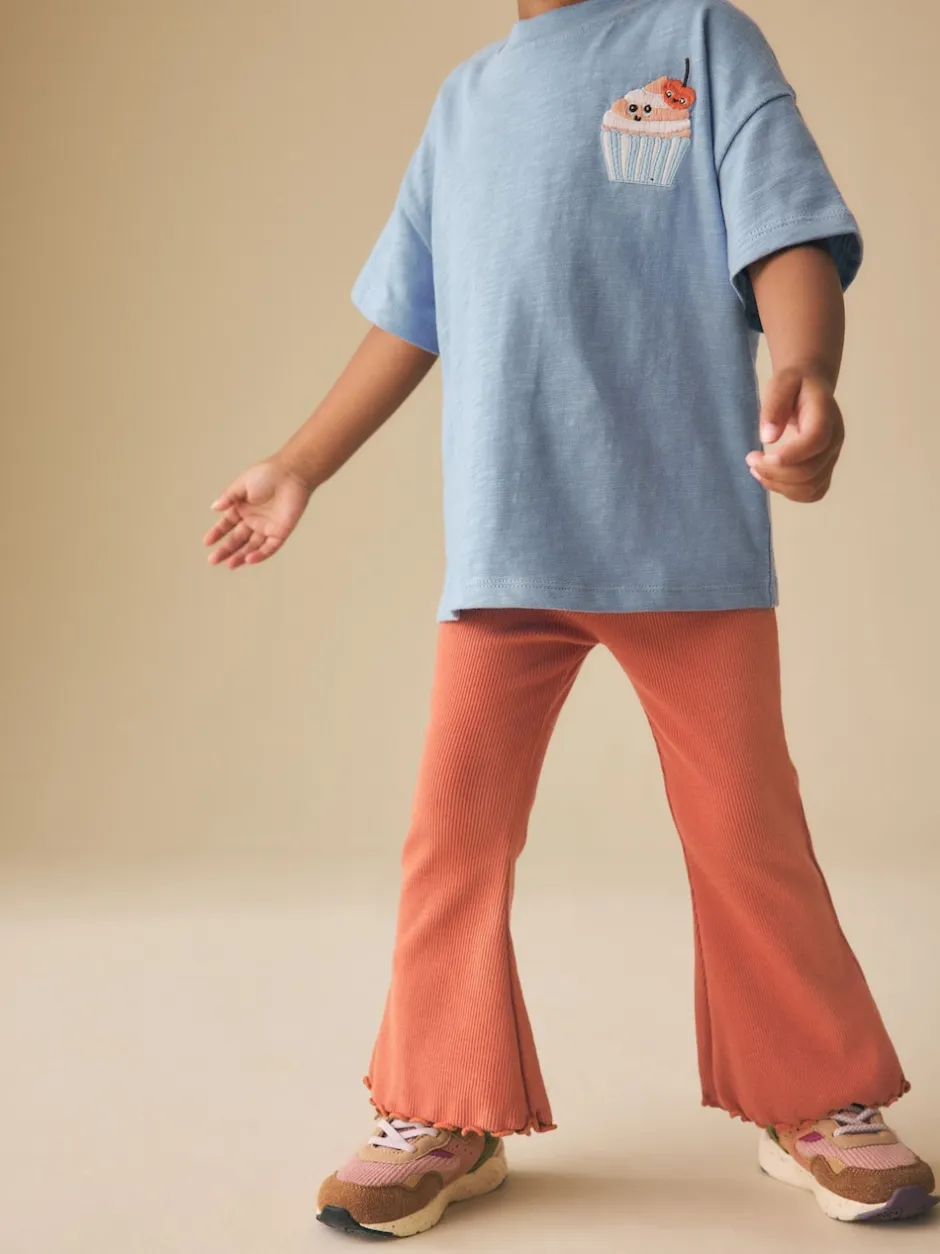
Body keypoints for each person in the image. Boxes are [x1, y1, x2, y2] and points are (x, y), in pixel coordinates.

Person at [204, 0, 936, 1238]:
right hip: (507, 550)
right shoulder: (465, 103)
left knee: (745, 831)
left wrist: (804, 371)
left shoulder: (699, 38)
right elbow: (410, 314)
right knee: (453, 837)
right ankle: (439, 1105)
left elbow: (785, 231)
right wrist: (298, 464)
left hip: (686, 545)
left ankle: (814, 1094)